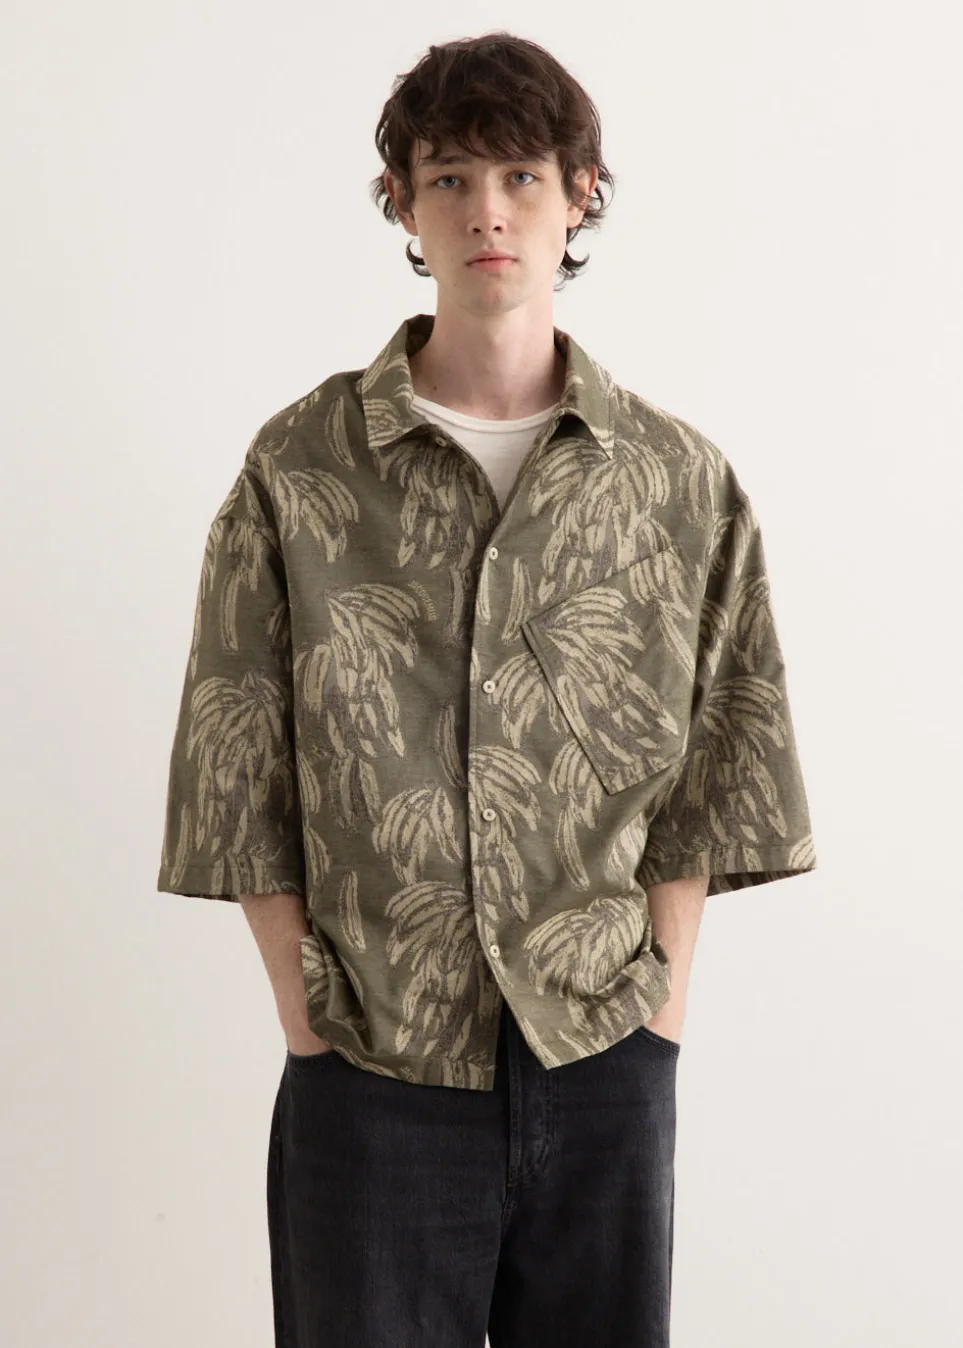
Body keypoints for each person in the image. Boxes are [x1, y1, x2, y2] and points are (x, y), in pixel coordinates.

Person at [156, 31, 817, 1348]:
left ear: (580, 194)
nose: (487, 212)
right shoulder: (302, 467)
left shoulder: (675, 481)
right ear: (401, 203)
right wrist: (307, 1020)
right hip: (373, 1069)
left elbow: (720, 774)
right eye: (448, 178)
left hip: (603, 1060)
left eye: (521, 175)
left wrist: (658, 1020)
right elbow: (232, 766)